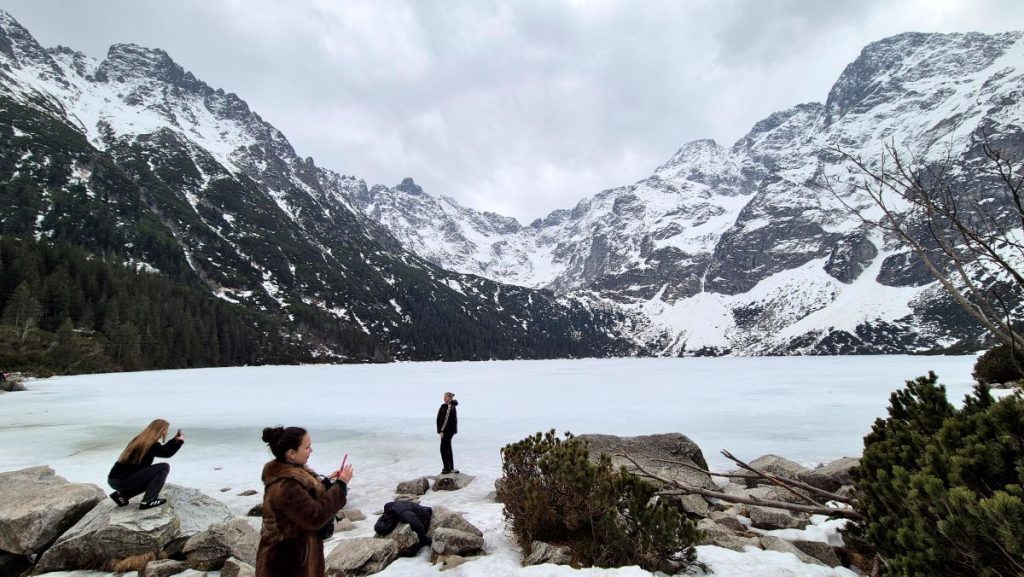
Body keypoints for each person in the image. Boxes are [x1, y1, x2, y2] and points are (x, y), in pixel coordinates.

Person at [256, 426, 353, 577]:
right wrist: (340, 487)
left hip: (297, 560)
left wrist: (328, 484)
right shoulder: (285, 486)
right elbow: (315, 516)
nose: (311, 450)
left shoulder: (295, 476)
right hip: (285, 566)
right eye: (307, 447)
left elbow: (306, 500)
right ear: (291, 454)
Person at [107, 418, 184, 510]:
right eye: (166, 430)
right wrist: (179, 441)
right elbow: (166, 453)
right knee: (163, 467)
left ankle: (122, 496)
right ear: (161, 430)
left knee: (153, 478)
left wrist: (174, 440)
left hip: (114, 479)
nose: (166, 433)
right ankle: (148, 500)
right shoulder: (151, 444)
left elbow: (162, 450)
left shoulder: (139, 440)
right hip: (123, 481)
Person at [436, 391, 459, 474]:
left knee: (444, 448)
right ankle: (450, 467)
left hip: (447, 431)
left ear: (450, 398)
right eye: (444, 397)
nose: (444, 398)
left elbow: (446, 420)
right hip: (448, 430)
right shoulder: (447, 406)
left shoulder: (449, 407)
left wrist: (442, 431)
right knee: (447, 448)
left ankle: (447, 468)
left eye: (446, 397)